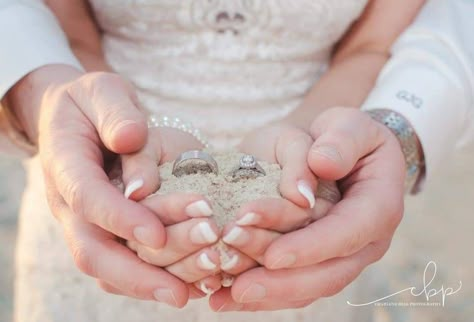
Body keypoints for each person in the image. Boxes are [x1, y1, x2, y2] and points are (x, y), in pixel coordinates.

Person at [0, 0, 466, 321]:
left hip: (313, 196)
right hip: (99, 172)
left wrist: (318, 140)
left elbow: (371, 45)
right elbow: (73, 32)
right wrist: (60, 102)